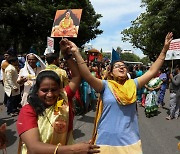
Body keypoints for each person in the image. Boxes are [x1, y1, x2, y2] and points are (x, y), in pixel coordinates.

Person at [59, 32, 173, 153]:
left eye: (123, 66)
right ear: (111, 73)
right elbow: (87, 75)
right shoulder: (105, 85)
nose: (121, 67)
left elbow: (151, 71)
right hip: (105, 141)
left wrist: (164, 49)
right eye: (117, 66)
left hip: (130, 142)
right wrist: (76, 52)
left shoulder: (133, 84)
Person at [16, 70, 100, 154]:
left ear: (60, 90)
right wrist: (74, 149)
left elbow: (77, 76)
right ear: (37, 91)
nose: (50, 94)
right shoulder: (28, 111)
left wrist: (69, 57)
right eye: (44, 90)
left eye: (54, 90)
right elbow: (34, 147)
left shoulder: (63, 101)